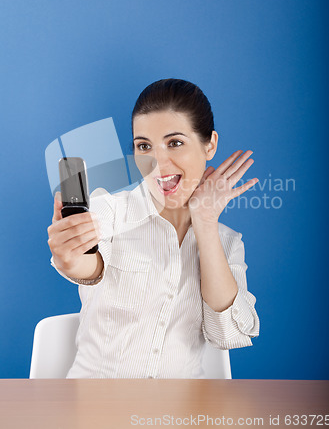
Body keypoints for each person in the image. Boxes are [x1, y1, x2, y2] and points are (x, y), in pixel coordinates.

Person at [47, 78, 260, 379]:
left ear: (209, 144)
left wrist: (205, 222)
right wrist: (71, 256)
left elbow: (227, 334)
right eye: (144, 146)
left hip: (181, 412)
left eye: (175, 143)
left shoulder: (227, 242)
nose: (157, 161)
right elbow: (89, 264)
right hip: (99, 408)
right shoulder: (109, 210)